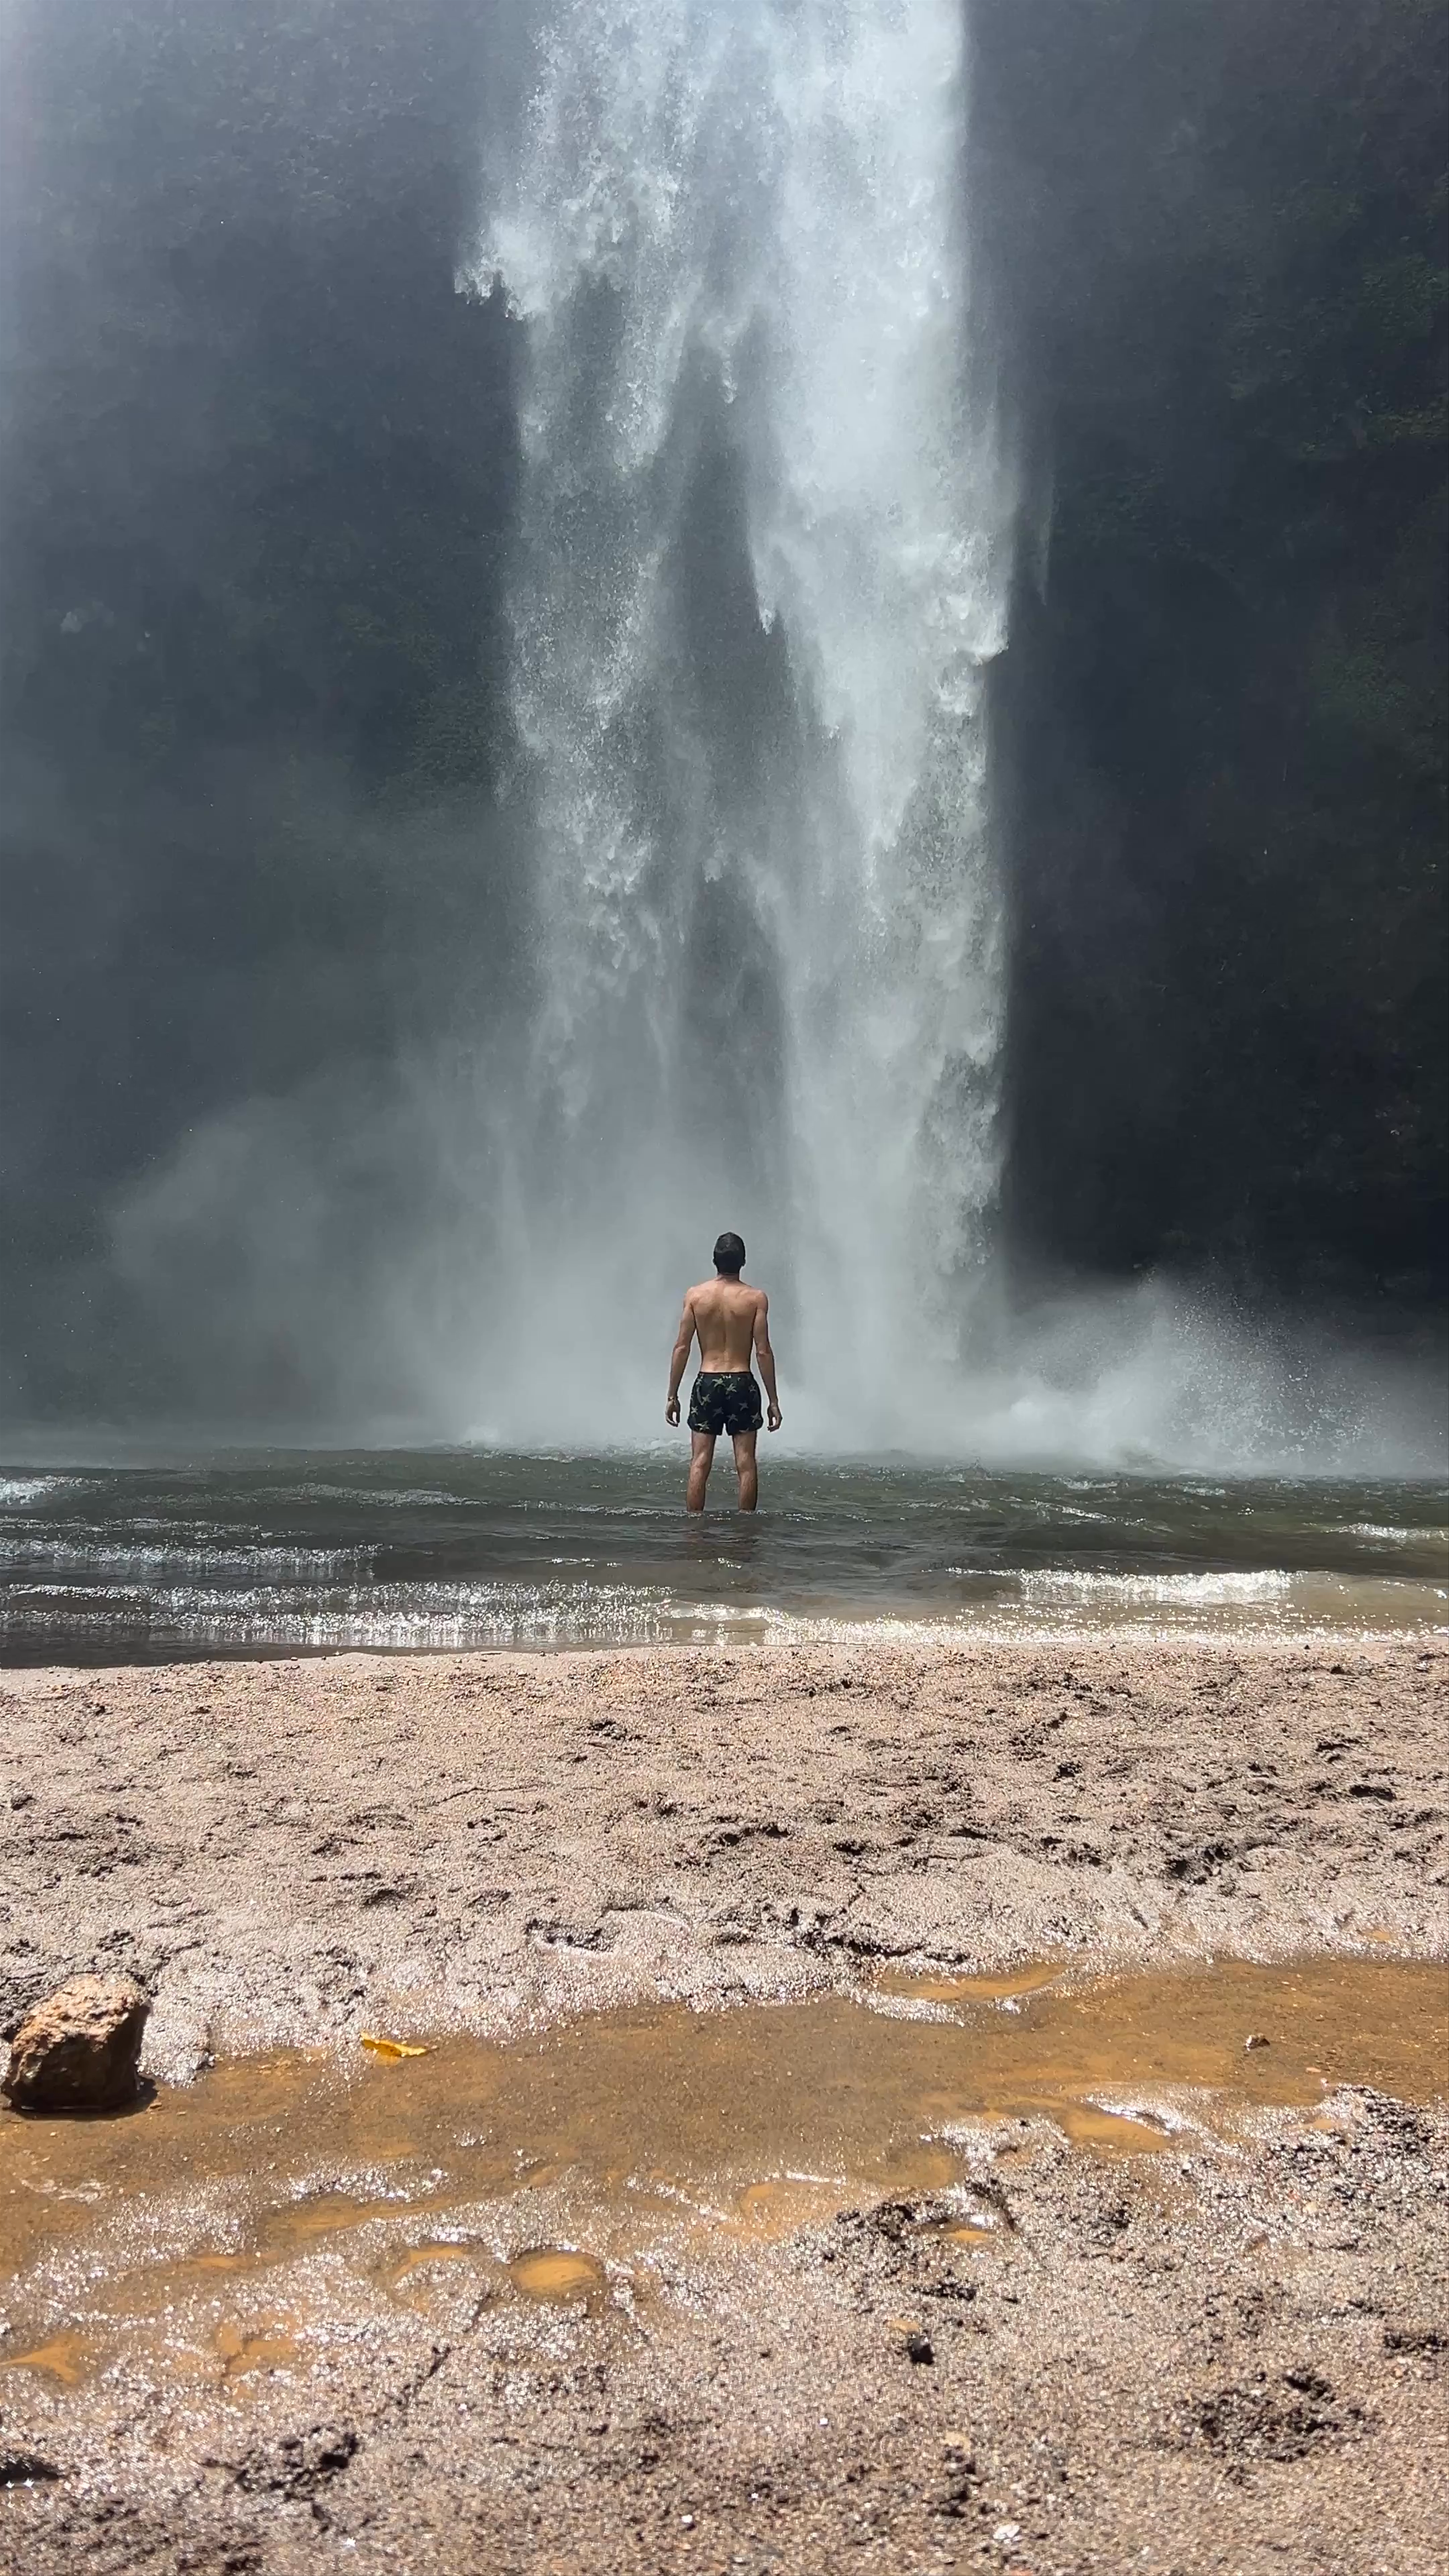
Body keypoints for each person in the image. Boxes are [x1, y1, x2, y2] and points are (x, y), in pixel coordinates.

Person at [666, 1231, 781, 1512]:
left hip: (707, 1382)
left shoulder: (695, 1296)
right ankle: (745, 1533)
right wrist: (773, 1400)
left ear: (714, 1260)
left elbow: (682, 1347)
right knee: (745, 1464)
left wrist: (672, 1394)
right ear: (743, 1261)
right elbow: (763, 1350)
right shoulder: (755, 1299)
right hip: (742, 1382)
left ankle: (694, 1533)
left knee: (700, 1462)